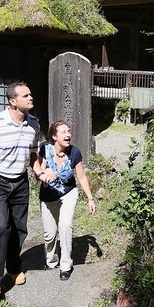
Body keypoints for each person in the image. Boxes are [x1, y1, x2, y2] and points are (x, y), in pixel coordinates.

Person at [0, 81, 48, 297]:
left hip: (20, 181)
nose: (31, 98)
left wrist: (40, 173)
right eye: (25, 96)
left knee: (19, 227)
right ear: (13, 101)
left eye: (30, 94)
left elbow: (33, 155)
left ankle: (13, 268)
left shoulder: (34, 124)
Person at [37, 120, 96, 281]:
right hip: (48, 195)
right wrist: (45, 172)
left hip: (68, 192)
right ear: (54, 136)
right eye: (63, 132)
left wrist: (90, 198)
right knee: (50, 234)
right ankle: (51, 261)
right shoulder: (45, 148)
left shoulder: (74, 153)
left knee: (65, 225)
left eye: (68, 131)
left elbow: (81, 177)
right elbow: (38, 170)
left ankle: (65, 265)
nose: (68, 134)